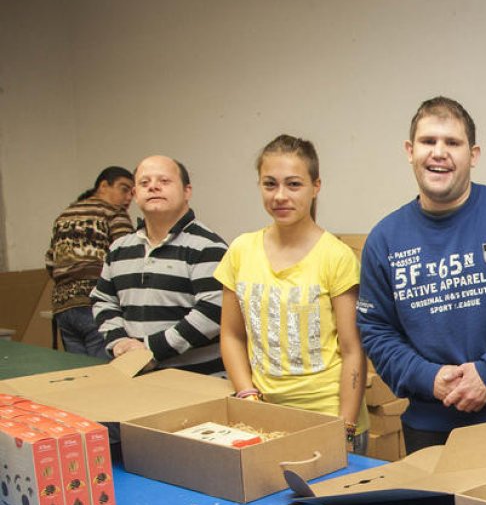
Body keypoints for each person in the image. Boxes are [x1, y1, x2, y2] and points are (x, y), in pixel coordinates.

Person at [357, 97, 486, 454]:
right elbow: (376, 330)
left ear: (473, 155)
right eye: (428, 141)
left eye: (452, 143)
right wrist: (428, 378)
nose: (439, 153)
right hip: (430, 424)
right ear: (410, 151)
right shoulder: (385, 239)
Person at [214, 135, 368, 453]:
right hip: (265, 420)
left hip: (328, 419)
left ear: (316, 186)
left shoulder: (336, 257)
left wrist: (345, 429)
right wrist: (246, 395)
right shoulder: (241, 250)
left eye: (294, 184)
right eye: (270, 184)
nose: (280, 196)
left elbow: (353, 350)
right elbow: (231, 335)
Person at [92, 155, 227, 374]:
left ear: (187, 191)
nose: (153, 187)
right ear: (135, 194)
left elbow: (213, 311)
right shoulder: (118, 249)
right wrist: (119, 341)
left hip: (197, 379)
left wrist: (150, 349)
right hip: (136, 374)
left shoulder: (208, 247)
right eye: (144, 183)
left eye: (164, 181)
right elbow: (103, 300)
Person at [45, 167, 135, 357]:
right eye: (124, 189)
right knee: (105, 370)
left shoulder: (64, 216)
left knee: (80, 369)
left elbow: (50, 262)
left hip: (63, 306)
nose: (129, 198)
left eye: (132, 193)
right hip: (96, 303)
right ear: (103, 186)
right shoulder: (113, 212)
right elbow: (128, 258)